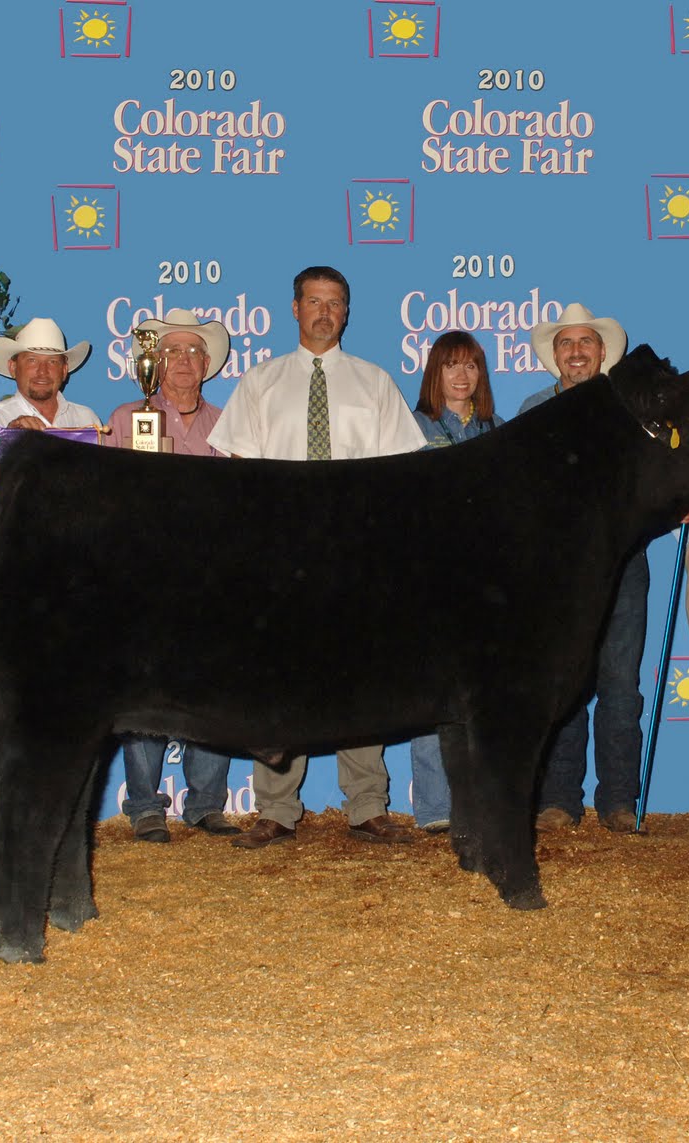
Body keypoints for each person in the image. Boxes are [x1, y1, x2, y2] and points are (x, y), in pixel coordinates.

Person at [209, 266, 428, 848]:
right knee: (280, 674)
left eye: (335, 303)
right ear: (295, 308)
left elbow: (401, 473)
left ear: (346, 313)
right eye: (314, 301)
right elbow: (241, 474)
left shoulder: (374, 381)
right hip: (281, 552)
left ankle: (368, 806)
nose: (325, 312)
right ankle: (276, 808)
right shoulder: (261, 381)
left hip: (356, 551)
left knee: (360, 674)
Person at [105, 308, 238, 840]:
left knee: (211, 689)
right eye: (171, 351)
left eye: (193, 352)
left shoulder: (230, 424)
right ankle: (144, 805)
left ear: (207, 364)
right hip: (144, 578)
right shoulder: (124, 418)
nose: (183, 361)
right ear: (153, 363)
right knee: (145, 692)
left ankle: (206, 803)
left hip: (210, 579)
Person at [520, 303, 649, 834]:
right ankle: (558, 798)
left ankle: (618, 800)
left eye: (585, 342)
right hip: (558, 572)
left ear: (602, 351)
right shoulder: (533, 410)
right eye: (566, 343)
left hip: (622, 564)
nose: (576, 352)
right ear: (555, 355)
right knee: (563, 684)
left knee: (620, 684)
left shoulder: (631, 407)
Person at [405, 331, 503, 832]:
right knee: (431, 691)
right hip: (429, 576)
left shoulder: (498, 430)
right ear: (434, 374)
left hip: (487, 582)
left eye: (471, 366)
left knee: (485, 694)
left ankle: (481, 805)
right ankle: (435, 808)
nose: (462, 376)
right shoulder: (411, 427)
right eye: (451, 366)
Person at [0, 316, 101, 505]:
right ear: (13, 367)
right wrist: (8, 442)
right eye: (32, 360)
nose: (42, 371)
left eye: (52, 362)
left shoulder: (86, 419)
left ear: (64, 370)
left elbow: (101, 489)